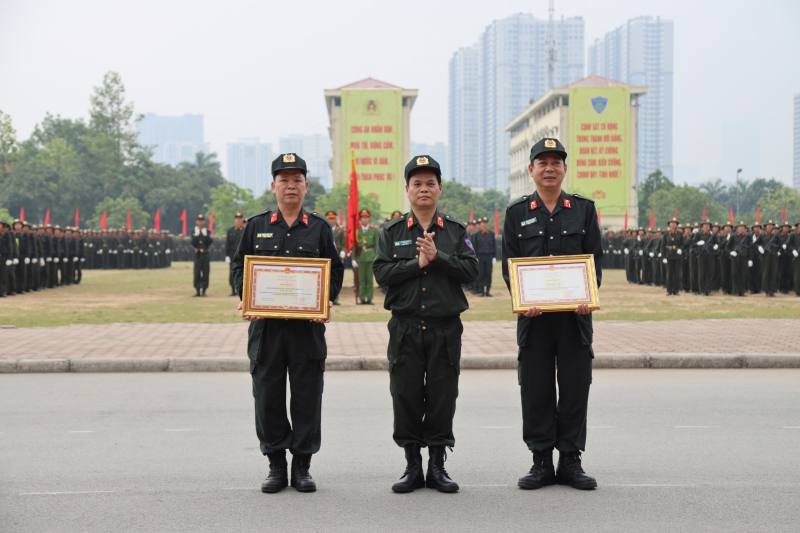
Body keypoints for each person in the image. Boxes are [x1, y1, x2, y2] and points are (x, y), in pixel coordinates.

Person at [232, 153, 344, 494]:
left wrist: (325, 299)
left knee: (307, 396)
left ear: (306, 186)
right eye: (284, 179)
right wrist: (245, 295)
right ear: (274, 186)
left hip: (306, 330)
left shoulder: (320, 228)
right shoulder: (256, 226)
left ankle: (303, 467)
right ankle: (276, 466)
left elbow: (335, 270)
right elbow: (239, 267)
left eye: (297, 179)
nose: (290, 185)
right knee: (267, 397)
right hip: (267, 329)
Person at [373, 154, 478, 493]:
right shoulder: (391, 232)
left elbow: (471, 271)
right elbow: (382, 273)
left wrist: (439, 258)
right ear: (407, 189)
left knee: (442, 395)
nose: (423, 189)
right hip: (405, 326)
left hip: (444, 328)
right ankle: (412, 466)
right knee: (404, 393)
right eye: (416, 183)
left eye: (430, 183)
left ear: (439, 189)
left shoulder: (457, 231)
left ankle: (437, 465)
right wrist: (417, 264)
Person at [502, 138, 602, 491]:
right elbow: (509, 267)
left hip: (574, 318)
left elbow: (595, 262)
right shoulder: (516, 213)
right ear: (530, 169)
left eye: (555, 162)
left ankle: (571, 460)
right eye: (541, 162)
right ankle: (541, 460)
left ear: (564, 169)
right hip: (534, 318)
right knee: (535, 387)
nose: (549, 168)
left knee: (576, 386)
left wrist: (587, 295)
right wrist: (522, 297)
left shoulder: (583, 210)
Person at [354, 209, 379, 304]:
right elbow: (354, 246)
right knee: (361, 279)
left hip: (370, 256)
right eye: (363, 217)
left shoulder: (374, 230)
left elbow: (376, 245)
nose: (365, 219)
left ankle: (369, 298)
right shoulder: (357, 231)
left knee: (369, 279)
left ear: (369, 219)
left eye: (366, 217)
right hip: (360, 257)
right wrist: (353, 258)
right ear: (360, 219)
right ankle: (361, 298)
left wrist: (377, 257)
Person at [693, 219, 718, 296]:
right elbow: (693, 243)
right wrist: (698, 243)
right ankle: (702, 290)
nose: (706, 226)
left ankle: (708, 290)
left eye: (708, 225)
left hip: (710, 255)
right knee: (702, 273)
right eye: (705, 224)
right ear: (702, 226)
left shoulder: (712, 235)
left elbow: (717, 243)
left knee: (710, 272)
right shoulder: (698, 234)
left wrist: (716, 246)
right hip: (702, 255)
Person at [324, 211, 345, 305]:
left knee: (336, 277)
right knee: (326, 278)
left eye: (333, 218)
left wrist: (344, 251)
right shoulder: (324, 228)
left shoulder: (340, 230)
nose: (331, 220)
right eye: (329, 218)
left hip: (338, 255)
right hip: (326, 256)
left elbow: (344, 243)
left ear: (335, 219)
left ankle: (335, 298)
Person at [726, 221, 751, 297]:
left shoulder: (747, 236)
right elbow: (727, 246)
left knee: (743, 274)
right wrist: (731, 252)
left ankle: (742, 291)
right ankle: (735, 291)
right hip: (736, 257)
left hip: (744, 257)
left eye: (743, 227)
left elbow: (750, 248)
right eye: (740, 227)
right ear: (737, 227)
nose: (741, 228)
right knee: (735, 274)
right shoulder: (733, 236)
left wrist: (750, 259)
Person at [473, 216, 495, 297]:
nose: (485, 225)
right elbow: (474, 247)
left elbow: (494, 246)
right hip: (480, 256)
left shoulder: (492, 234)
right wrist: (475, 257)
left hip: (489, 256)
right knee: (481, 273)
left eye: (486, 223)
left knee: (489, 273)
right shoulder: (477, 235)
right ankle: (482, 291)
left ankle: (488, 291)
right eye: (483, 223)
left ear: (488, 224)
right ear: (481, 224)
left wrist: (494, 257)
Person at [191, 214, 213, 297]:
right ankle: (197, 290)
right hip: (197, 255)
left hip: (205, 254)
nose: (200, 222)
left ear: (204, 221)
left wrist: (205, 235)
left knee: (205, 272)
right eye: (199, 220)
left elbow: (210, 242)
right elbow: (192, 243)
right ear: (197, 221)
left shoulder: (207, 231)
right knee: (197, 272)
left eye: (202, 220)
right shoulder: (193, 231)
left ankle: (204, 290)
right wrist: (196, 236)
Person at [660, 218, 683, 296]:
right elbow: (663, 246)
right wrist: (663, 257)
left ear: (676, 224)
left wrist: (680, 249)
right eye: (671, 223)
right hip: (669, 255)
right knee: (669, 274)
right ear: (669, 224)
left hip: (677, 256)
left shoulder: (679, 234)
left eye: (674, 223)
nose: (673, 224)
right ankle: (669, 290)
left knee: (677, 274)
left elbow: (683, 244)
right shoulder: (666, 234)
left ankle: (676, 290)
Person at [226, 212, 246, 296]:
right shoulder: (230, 230)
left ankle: (241, 289)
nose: (238, 220)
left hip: (242, 254)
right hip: (232, 254)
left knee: (243, 271)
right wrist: (227, 255)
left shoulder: (245, 230)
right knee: (232, 271)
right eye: (237, 219)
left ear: (242, 220)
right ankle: (232, 289)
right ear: (235, 220)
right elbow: (227, 244)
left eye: (240, 219)